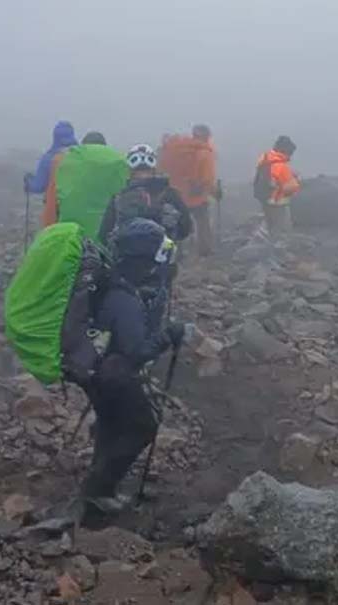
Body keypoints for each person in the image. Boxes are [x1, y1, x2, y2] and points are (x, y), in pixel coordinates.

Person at [80, 218, 185, 516]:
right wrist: (168, 336)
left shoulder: (116, 286)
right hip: (114, 376)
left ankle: (99, 487)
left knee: (111, 426)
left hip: (98, 373)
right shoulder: (123, 298)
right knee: (142, 427)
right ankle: (98, 490)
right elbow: (136, 351)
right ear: (144, 259)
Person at [98, 144, 192, 247]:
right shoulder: (170, 194)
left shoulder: (119, 197)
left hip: (126, 258)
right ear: (154, 169)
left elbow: (104, 235)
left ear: (130, 171)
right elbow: (186, 228)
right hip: (162, 257)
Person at [160, 124, 220, 255]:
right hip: (196, 196)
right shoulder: (205, 152)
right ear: (206, 136)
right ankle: (204, 251)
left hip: (176, 194)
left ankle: (176, 251)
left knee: (176, 224)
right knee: (202, 223)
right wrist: (216, 193)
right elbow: (207, 179)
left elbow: (164, 169)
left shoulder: (178, 149)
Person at [26, 121, 78, 227]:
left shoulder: (49, 158)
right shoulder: (79, 156)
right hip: (77, 212)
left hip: (55, 211)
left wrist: (28, 182)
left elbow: (38, 186)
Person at [254, 135, 301, 237]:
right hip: (277, 202)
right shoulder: (281, 166)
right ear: (286, 151)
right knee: (279, 229)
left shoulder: (265, 158)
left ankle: (266, 244)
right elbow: (289, 188)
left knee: (269, 225)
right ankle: (275, 249)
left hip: (265, 199)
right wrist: (296, 181)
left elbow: (272, 176)